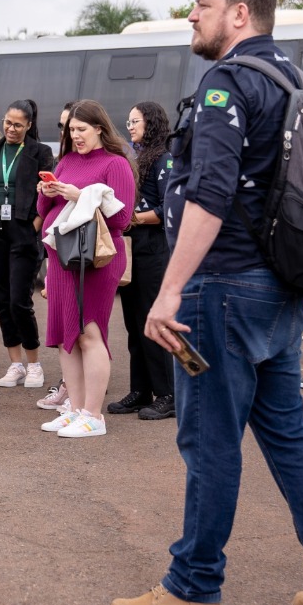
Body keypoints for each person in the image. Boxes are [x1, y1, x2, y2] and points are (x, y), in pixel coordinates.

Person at [113, 0, 303, 605]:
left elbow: (212, 196)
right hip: (281, 288)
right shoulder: (295, 79)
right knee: (289, 433)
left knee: (211, 441)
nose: (191, 15)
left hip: (222, 290)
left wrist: (168, 292)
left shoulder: (229, 80)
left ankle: (193, 586)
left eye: (201, 4)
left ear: (239, 14)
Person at [36, 100, 136, 438]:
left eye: (81, 129)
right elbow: (45, 209)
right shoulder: (65, 161)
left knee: (89, 333)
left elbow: (122, 218)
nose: (75, 135)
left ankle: (93, 415)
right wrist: (48, 191)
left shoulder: (116, 163)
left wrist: (81, 196)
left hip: (97, 259)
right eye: (70, 130)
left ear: (99, 129)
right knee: (68, 335)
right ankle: (76, 409)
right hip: (62, 256)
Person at [0, 99, 56, 392]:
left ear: (29, 126)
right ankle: (15, 363)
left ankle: (34, 363)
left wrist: (34, 225)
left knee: (20, 301)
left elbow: (49, 194)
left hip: (23, 228)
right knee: (0, 300)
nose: (10, 128)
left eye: (17, 124)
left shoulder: (40, 152)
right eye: (7, 122)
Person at [107, 101, 175, 420]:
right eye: (128, 120)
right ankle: (141, 390)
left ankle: (168, 394)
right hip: (133, 247)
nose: (130, 126)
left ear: (151, 123)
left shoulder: (164, 158)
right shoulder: (135, 158)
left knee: (152, 322)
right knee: (134, 324)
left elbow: (167, 209)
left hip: (154, 248)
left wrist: (133, 219)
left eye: (135, 121)